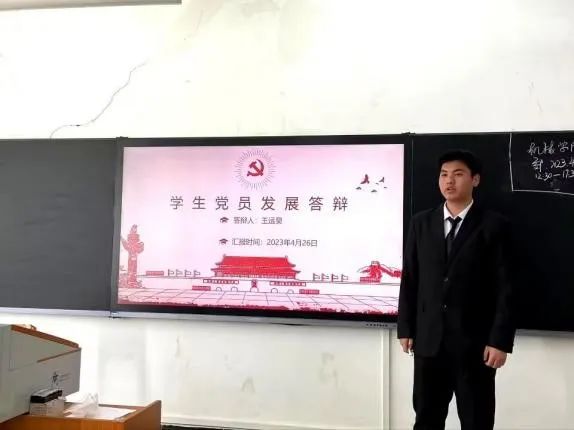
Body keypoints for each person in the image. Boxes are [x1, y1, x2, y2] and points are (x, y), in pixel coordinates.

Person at [397, 150, 515, 430]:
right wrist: (406, 327)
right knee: (426, 419)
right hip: (429, 342)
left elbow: (507, 287)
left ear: (475, 180)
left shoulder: (494, 225)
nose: (449, 181)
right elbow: (410, 278)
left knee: (476, 420)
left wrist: (499, 340)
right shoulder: (421, 223)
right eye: (444, 175)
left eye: (458, 174)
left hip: (475, 345)